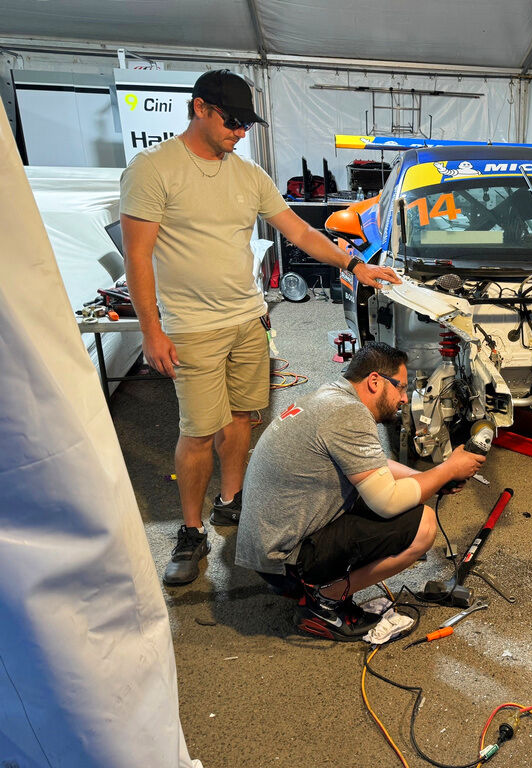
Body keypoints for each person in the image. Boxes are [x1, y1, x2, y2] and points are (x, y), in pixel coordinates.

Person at [120, 70, 400, 587]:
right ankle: (189, 530)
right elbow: (137, 256)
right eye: (232, 121)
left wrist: (355, 266)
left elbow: (298, 229)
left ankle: (231, 502)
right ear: (200, 108)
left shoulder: (248, 175)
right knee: (198, 431)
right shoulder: (154, 169)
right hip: (193, 328)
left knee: (243, 418)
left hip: (248, 320)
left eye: (246, 123)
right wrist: (151, 330)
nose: (240, 132)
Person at [234, 342, 487, 640]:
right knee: (423, 525)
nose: (404, 399)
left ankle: (318, 588)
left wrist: (432, 478)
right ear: (375, 381)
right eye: (401, 388)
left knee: (412, 502)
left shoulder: (332, 397)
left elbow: (374, 466)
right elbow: (387, 501)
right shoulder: (347, 414)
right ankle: (324, 601)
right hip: (285, 559)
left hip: (270, 549)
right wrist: (447, 469)